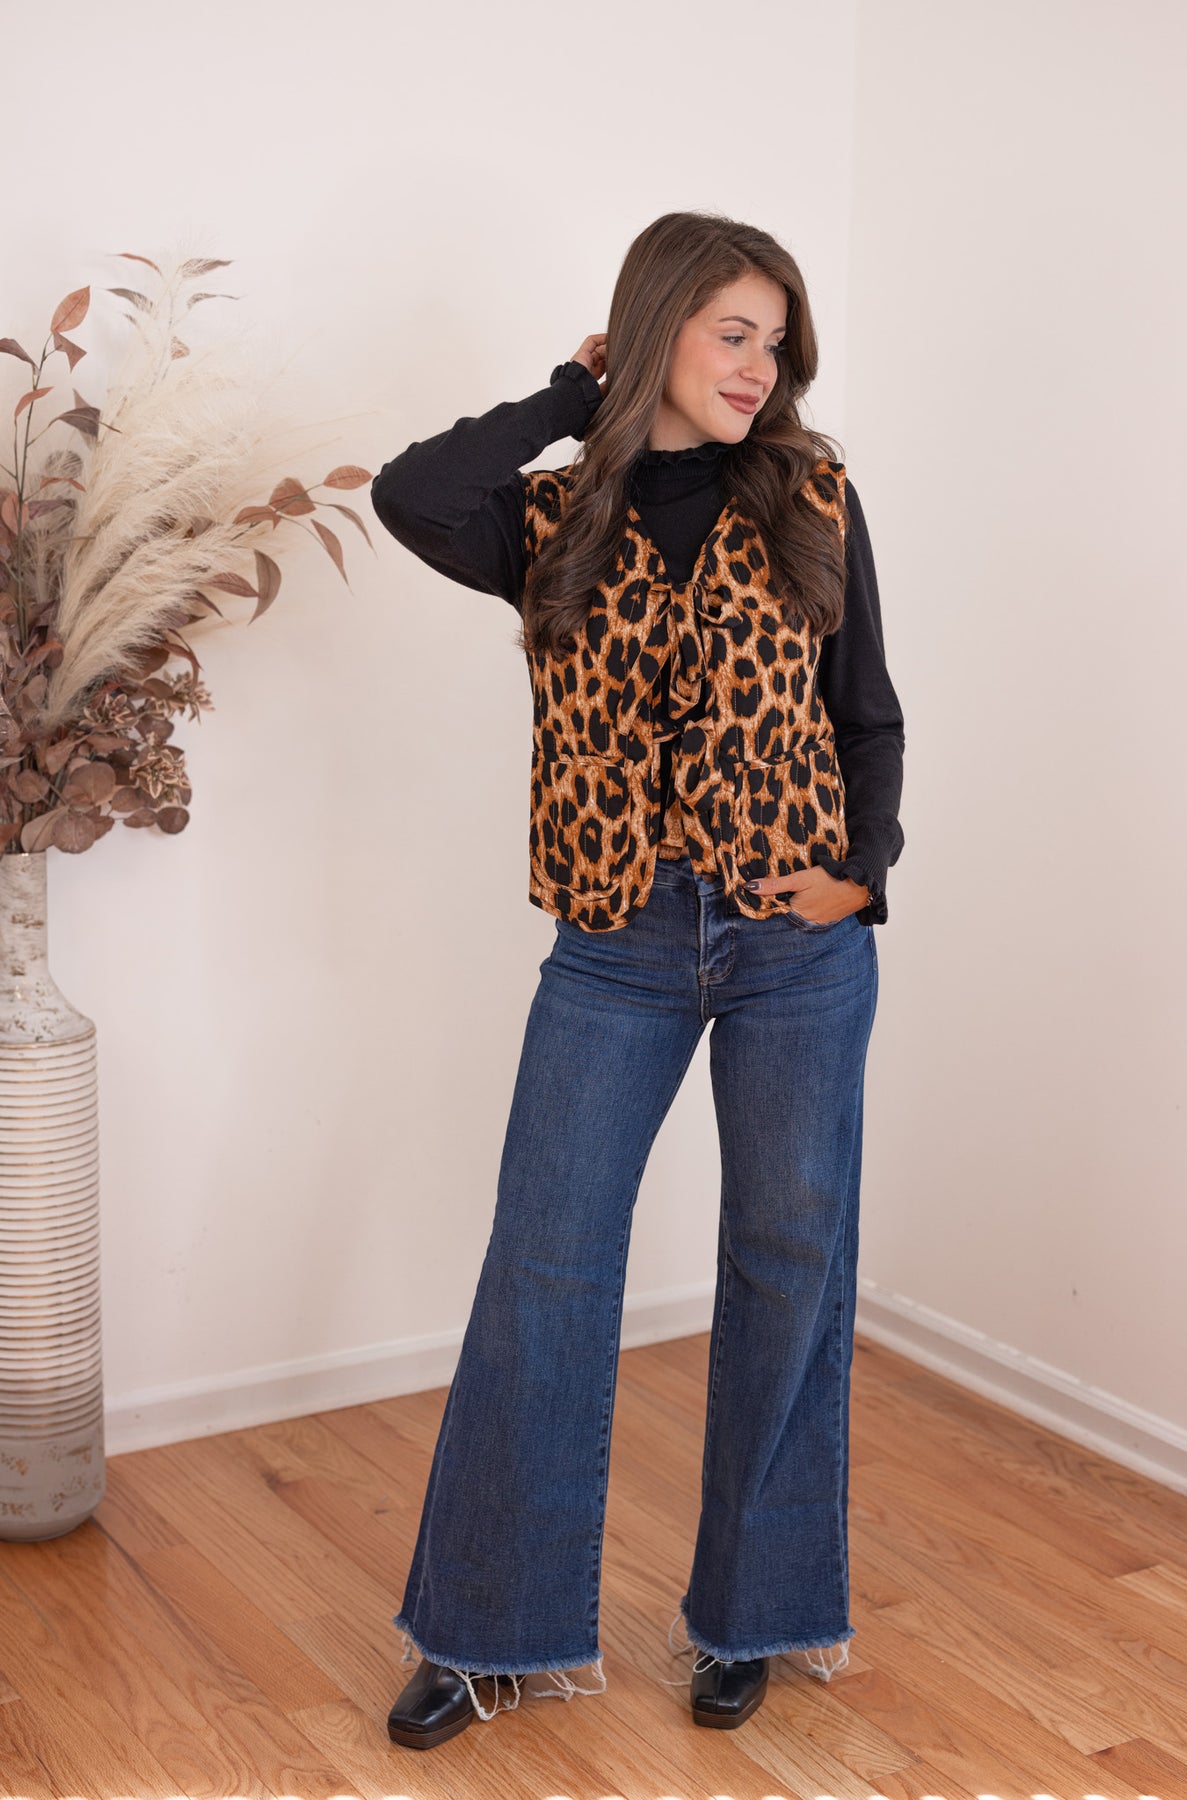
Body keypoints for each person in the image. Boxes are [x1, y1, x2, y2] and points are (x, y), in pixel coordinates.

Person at [370, 210, 905, 1752]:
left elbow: (865, 709)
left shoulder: (811, 494)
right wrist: (570, 391)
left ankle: (757, 1613)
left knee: (788, 1260)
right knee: (544, 1264)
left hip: (796, 944)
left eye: (775, 343)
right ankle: (487, 1631)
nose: (760, 366)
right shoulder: (547, 520)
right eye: (731, 332)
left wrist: (864, 870)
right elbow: (410, 492)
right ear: (653, 325)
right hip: (617, 944)